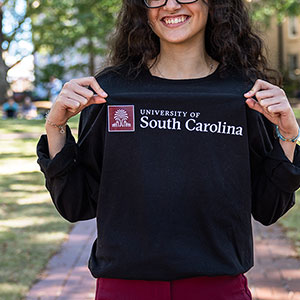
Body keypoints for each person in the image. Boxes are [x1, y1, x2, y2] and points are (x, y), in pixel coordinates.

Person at [37, 0, 300, 299]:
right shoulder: (110, 92)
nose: (170, 5)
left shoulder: (245, 94)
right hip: (124, 288)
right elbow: (76, 204)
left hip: (218, 288)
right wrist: (55, 127)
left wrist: (288, 136)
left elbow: (269, 208)